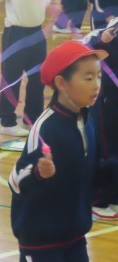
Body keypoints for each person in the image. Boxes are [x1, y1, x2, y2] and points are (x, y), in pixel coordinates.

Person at [3, 41, 118, 262]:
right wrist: (39, 173)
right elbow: (16, 180)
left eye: (98, 77)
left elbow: (93, 172)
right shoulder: (46, 127)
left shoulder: (86, 120)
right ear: (61, 83)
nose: (96, 84)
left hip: (72, 227)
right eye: (87, 77)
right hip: (40, 228)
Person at [0, 0, 50, 137]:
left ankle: (32, 119)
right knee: (11, 78)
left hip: (37, 31)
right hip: (15, 32)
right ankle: (7, 122)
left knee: (38, 78)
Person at [85, 17, 118, 218]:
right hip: (108, 102)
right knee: (106, 150)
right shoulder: (113, 27)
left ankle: (114, 197)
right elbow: (88, 46)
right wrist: (102, 39)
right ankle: (101, 200)